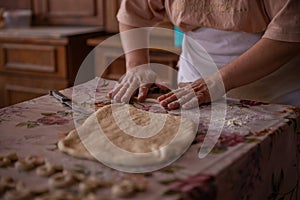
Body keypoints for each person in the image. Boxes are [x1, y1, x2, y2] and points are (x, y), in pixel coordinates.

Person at [108, 0, 300, 109]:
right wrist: (137, 66)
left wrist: (219, 81)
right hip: (192, 84)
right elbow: (133, 13)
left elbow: (289, 31)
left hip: (276, 90)